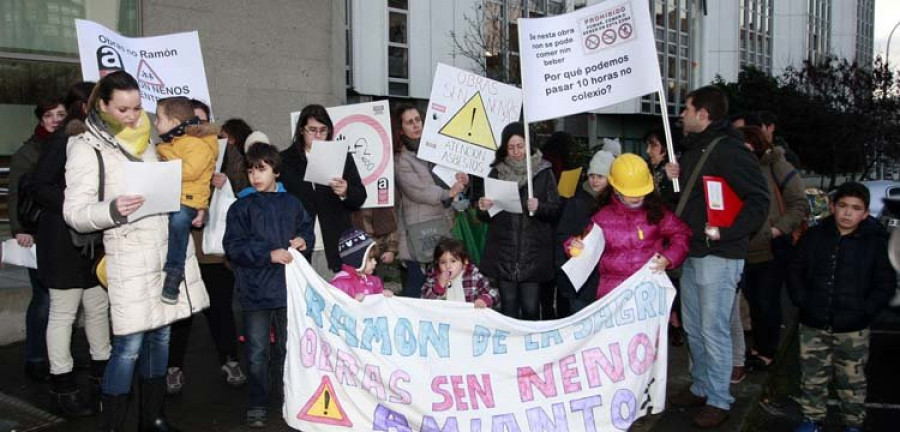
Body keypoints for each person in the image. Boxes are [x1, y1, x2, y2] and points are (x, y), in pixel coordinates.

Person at [63, 71, 209, 431]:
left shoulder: (148, 142)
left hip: (162, 252)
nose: (133, 116)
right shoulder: (86, 147)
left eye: (137, 107)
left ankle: (153, 417)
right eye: (123, 109)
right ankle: (113, 424)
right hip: (127, 254)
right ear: (103, 105)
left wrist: (189, 207)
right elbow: (75, 213)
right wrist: (113, 209)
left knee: (161, 335)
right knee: (128, 345)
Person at [665, 85, 769, 429]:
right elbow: (690, 201)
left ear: (703, 115)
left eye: (687, 109)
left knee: (713, 329)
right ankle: (701, 386)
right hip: (695, 252)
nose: (682, 114)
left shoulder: (729, 150)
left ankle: (720, 400)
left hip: (719, 254)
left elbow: (758, 200)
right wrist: (674, 180)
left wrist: (726, 232)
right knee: (695, 327)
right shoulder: (699, 148)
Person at [30, 83, 111, 417]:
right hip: (63, 243)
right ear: (86, 107)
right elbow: (38, 186)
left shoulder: (100, 141)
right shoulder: (64, 141)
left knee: (97, 307)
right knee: (63, 314)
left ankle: (102, 376)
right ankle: (62, 387)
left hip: (92, 243)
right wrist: (77, 205)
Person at [788, 182, 895, 432]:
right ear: (833, 207)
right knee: (812, 376)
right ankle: (812, 419)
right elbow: (795, 269)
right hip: (814, 323)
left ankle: (853, 423)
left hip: (853, 328)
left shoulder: (876, 242)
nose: (848, 213)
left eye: (856, 208)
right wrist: (802, 300)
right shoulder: (814, 236)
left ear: (865, 213)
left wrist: (866, 310)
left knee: (852, 380)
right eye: (843, 206)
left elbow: (885, 282)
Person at [223, 143, 314, 428]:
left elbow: (306, 229)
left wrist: (303, 240)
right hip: (255, 291)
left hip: (287, 290)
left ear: (276, 170)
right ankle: (258, 402)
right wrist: (267, 255)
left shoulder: (292, 203)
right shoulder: (241, 207)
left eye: (261, 169)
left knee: (288, 349)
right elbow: (233, 247)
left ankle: (287, 396)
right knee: (258, 352)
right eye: (250, 170)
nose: (255, 176)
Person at [167, 112, 250, 395]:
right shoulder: (169, 151)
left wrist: (227, 182)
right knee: (181, 313)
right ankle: (172, 366)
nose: (196, 125)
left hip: (215, 249)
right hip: (184, 247)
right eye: (191, 120)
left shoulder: (228, 153)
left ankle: (229, 360)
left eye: (201, 119)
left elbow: (248, 189)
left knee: (221, 310)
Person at [565, 154, 691, 299]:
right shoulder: (602, 217)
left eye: (641, 192)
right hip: (614, 296)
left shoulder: (656, 212)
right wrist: (573, 247)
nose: (636, 197)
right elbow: (581, 243)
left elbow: (682, 233)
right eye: (630, 193)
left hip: (649, 291)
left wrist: (669, 257)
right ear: (616, 190)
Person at [739, 126, 808, 372]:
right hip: (744, 248)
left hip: (771, 248)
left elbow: (799, 203)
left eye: (747, 144)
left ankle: (767, 352)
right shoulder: (737, 168)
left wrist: (776, 230)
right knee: (755, 302)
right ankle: (759, 348)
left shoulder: (777, 165)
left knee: (767, 302)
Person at [477, 122, 560, 320]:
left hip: (532, 253)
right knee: (508, 307)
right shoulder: (497, 172)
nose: (516, 152)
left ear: (528, 145)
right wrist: (482, 207)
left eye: (520, 146)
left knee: (531, 308)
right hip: (504, 251)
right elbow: (484, 214)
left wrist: (540, 207)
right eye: (511, 147)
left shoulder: (543, 171)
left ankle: (531, 349)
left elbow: (556, 209)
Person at [9, 96, 66, 383]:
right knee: (43, 299)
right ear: (40, 119)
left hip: (63, 233)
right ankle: (35, 358)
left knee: (63, 301)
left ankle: (59, 356)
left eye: (60, 114)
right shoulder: (28, 153)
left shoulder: (71, 146)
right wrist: (19, 228)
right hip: (36, 234)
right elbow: (16, 195)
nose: (55, 119)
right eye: (49, 115)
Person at [281, 104, 366, 278]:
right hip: (299, 241)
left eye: (323, 130)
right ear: (301, 131)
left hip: (335, 241)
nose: (318, 135)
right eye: (312, 130)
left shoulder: (341, 155)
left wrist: (345, 191)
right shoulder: (285, 160)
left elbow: (359, 196)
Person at [393, 104, 469, 297]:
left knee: (443, 285)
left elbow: (451, 185)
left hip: (443, 225)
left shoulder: (437, 151)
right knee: (416, 286)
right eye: (409, 122)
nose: (416, 125)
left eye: (418, 120)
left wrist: (462, 182)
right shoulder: (402, 159)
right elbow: (418, 191)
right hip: (420, 231)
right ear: (401, 130)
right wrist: (447, 193)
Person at [154, 96, 218, 304]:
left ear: (173, 123)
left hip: (189, 200)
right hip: (173, 197)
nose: (155, 123)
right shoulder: (174, 143)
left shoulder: (196, 144)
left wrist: (165, 158)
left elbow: (189, 171)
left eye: (158, 118)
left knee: (179, 221)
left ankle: (174, 271)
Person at [555, 149, 614, 317]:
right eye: (592, 175)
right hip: (581, 278)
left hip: (607, 277)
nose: (595, 180)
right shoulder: (576, 202)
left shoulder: (615, 205)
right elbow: (562, 236)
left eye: (600, 176)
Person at [422, 237, 498, 307]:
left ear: (465, 262)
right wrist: (439, 286)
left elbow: (494, 294)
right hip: (446, 319)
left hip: (470, 318)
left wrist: (484, 300)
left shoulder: (474, 276)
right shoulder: (434, 279)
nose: (448, 266)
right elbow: (424, 302)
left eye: (453, 261)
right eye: (443, 262)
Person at [330, 229, 392, 300]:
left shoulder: (375, 281)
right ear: (357, 261)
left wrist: (384, 295)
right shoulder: (339, 285)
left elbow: (378, 304)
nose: (375, 262)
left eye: (375, 258)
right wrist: (352, 303)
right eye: (370, 259)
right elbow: (335, 307)